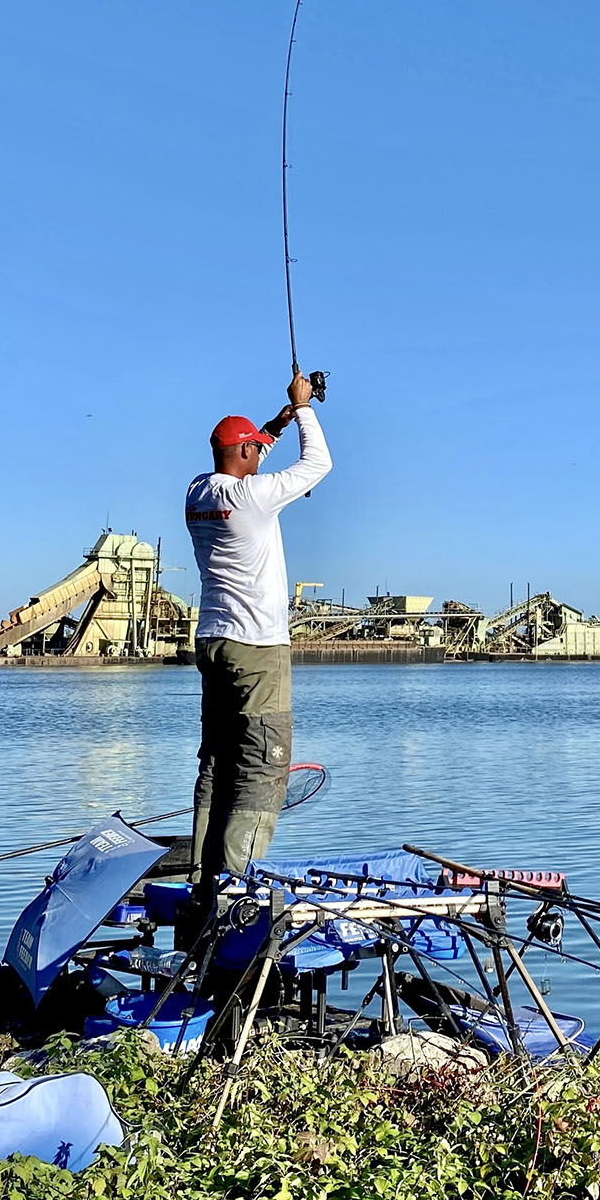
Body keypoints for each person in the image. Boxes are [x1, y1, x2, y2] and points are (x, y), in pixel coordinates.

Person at [184, 371, 332, 902]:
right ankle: (236, 893)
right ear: (243, 453)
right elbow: (319, 464)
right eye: (255, 449)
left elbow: (244, 459)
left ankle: (203, 883)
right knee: (261, 766)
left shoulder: (198, 492)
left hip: (212, 642)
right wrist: (305, 409)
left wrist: (274, 425)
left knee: (218, 763)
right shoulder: (253, 498)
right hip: (257, 648)